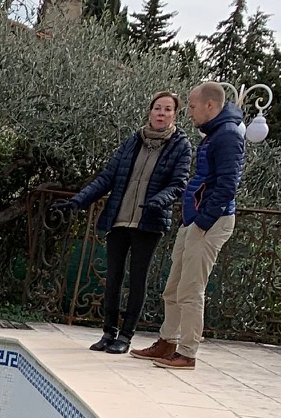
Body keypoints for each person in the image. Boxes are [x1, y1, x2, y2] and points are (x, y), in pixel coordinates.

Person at [55, 92, 191, 353]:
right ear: (150, 111)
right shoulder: (132, 142)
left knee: (137, 280)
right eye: (157, 108)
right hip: (118, 219)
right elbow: (107, 177)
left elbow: (179, 184)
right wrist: (78, 201)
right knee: (113, 278)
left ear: (175, 115)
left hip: (148, 222)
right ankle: (108, 333)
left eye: (167, 109)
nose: (161, 113)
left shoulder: (180, 146)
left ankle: (126, 337)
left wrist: (158, 201)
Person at [133, 80, 247, 370]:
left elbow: (227, 186)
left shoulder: (229, 136)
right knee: (173, 287)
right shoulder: (214, 134)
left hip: (210, 222)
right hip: (195, 219)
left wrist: (204, 221)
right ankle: (167, 341)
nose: (191, 112)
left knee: (191, 289)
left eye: (193, 106)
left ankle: (187, 352)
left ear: (210, 105)